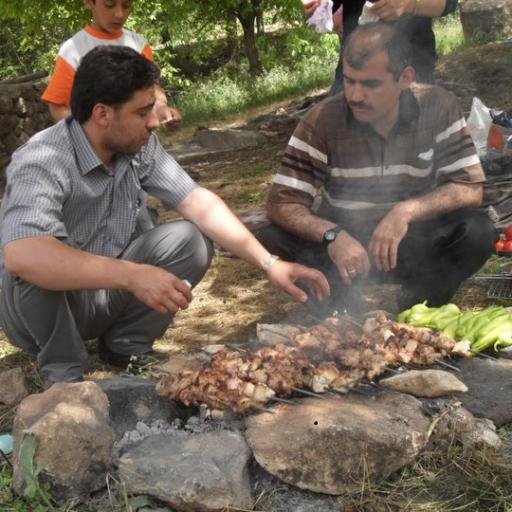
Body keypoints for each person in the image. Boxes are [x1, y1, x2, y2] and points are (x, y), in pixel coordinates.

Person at [0, 45, 329, 385]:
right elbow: (25, 255)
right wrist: (133, 275)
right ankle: (64, 373)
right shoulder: (41, 159)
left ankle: (125, 347)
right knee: (32, 262)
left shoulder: (136, 145)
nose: (155, 121)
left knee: (192, 240)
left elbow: (198, 202)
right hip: (37, 314)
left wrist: (270, 264)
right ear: (102, 114)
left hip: (104, 293)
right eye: (143, 112)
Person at [257, 22, 497, 316]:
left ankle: (420, 304)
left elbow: (470, 188)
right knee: (272, 235)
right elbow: (282, 204)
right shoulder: (320, 120)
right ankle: (339, 305)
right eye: (349, 81)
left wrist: (405, 211)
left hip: (411, 243)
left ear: (405, 78)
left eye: (370, 84)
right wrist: (332, 234)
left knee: (478, 231)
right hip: (343, 248)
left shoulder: (438, 107)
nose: (355, 95)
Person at [41, 0, 181, 129]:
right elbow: (58, 106)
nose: (119, 14)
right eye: (109, 5)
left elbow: (152, 90)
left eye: (126, 5)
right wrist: (83, 137)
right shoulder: (73, 50)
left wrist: (161, 108)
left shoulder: (138, 44)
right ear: (89, 2)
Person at [303, 0, 458, 91]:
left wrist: (408, 4)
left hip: (408, 70)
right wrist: (318, 7)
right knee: (343, 140)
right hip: (354, 68)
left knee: (410, 142)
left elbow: (448, 4)